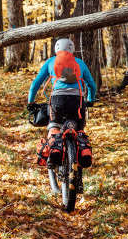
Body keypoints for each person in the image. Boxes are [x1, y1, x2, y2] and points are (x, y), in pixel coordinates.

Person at [27, 38, 96, 167]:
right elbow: (91, 84)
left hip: (57, 100)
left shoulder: (51, 62)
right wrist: (90, 100)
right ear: (72, 49)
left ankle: (55, 152)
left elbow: (35, 84)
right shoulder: (79, 63)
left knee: (54, 127)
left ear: (56, 49)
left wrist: (30, 102)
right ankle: (82, 154)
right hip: (77, 101)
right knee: (79, 130)